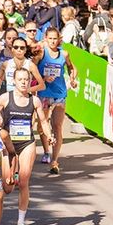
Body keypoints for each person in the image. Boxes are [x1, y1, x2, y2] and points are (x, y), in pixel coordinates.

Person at [0, 68, 55, 225]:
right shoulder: (5, 98)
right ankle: (10, 175)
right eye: (20, 79)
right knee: (7, 187)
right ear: (13, 81)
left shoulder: (34, 101)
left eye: (26, 80)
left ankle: (21, 222)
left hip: (27, 143)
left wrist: (49, 136)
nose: (23, 82)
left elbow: (43, 121)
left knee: (23, 181)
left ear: (30, 82)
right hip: (8, 144)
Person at [36, 28, 78, 175]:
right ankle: (46, 151)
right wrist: (43, 77)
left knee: (58, 126)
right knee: (43, 124)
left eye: (55, 39)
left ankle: (54, 160)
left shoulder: (64, 53)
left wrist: (73, 79)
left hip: (59, 94)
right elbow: (32, 70)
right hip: (44, 94)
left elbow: (73, 68)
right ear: (46, 39)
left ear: (59, 39)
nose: (53, 41)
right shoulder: (42, 53)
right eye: (50, 39)